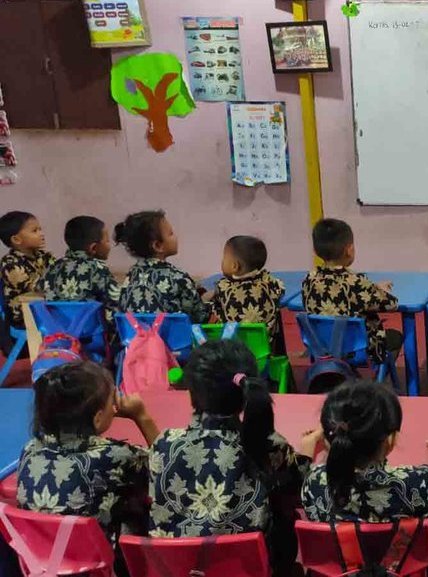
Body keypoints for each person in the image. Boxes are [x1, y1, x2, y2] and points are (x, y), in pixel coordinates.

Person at [149, 341, 315, 546]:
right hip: (249, 565)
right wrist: (309, 448)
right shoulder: (271, 445)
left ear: (192, 392)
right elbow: (300, 485)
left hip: (175, 566)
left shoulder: (164, 443)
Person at [301, 381, 428, 577]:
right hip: (410, 571)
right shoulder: (412, 483)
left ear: (328, 438)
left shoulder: (314, 482)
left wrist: (308, 445)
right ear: (390, 440)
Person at [17, 361, 158, 541]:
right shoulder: (116, 456)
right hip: (93, 562)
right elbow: (167, 468)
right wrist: (141, 415)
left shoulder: (30, 449)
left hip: (38, 557)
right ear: (98, 418)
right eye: (111, 402)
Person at [301, 218, 400, 363]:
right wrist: (381, 291)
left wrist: (373, 288)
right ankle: (377, 381)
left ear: (315, 251)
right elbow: (392, 304)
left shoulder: (309, 280)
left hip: (322, 348)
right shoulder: (357, 282)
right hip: (358, 352)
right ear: (349, 250)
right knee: (395, 337)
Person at [116, 210, 210, 323]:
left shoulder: (130, 276)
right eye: (171, 233)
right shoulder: (177, 277)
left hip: (135, 339)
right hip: (171, 339)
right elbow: (199, 316)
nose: (176, 236)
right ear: (158, 246)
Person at [39, 216, 121, 322]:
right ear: (93, 248)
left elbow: (40, 287)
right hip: (91, 333)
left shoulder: (53, 266)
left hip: (59, 332)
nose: (109, 246)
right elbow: (116, 298)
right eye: (107, 241)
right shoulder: (98, 269)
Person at [211, 236, 285, 349]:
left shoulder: (222, 288)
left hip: (232, 353)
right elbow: (281, 289)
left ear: (234, 266)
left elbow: (213, 308)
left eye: (224, 258)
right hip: (264, 352)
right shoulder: (270, 284)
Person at [0, 211, 54, 327]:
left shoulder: (44, 256)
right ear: (16, 239)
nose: (41, 234)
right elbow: (37, 287)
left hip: (44, 306)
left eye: (40, 229)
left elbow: (58, 274)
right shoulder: (10, 264)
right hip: (23, 315)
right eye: (35, 231)